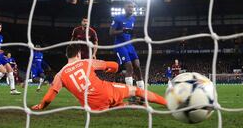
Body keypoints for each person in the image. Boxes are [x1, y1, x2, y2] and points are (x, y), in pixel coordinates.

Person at [31, 45, 166, 111]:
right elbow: (113, 65)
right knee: (136, 90)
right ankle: (167, 103)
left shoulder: (60, 74)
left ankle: (126, 104)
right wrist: (112, 69)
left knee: (109, 103)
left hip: (92, 107)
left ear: (67, 56)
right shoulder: (86, 62)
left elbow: (50, 95)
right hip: (106, 91)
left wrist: (41, 106)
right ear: (78, 53)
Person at [109, 1, 144, 93]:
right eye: (129, 6)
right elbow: (111, 32)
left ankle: (142, 93)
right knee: (129, 67)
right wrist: (123, 30)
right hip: (120, 45)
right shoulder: (117, 18)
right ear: (124, 7)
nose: (131, 9)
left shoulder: (133, 19)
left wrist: (132, 37)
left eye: (132, 7)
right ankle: (131, 94)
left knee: (137, 66)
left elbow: (129, 32)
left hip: (129, 45)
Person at [0, 22, 21, 95]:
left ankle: (12, 90)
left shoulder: (1, 37)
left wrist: (2, 54)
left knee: (10, 70)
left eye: (0, 27)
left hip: (0, 56)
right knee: (4, 71)